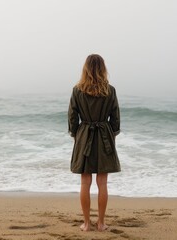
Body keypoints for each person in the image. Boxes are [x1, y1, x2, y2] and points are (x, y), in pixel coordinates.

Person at [68, 54, 121, 232]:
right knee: (102, 183)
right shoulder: (110, 90)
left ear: (85, 68)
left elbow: (72, 117)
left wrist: (77, 135)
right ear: (102, 68)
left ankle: (86, 223)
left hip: (85, 136)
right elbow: (115, 118)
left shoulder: (77, 90)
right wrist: (112, 133)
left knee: (85, 182)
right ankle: (101, 223)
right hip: (104, 136)